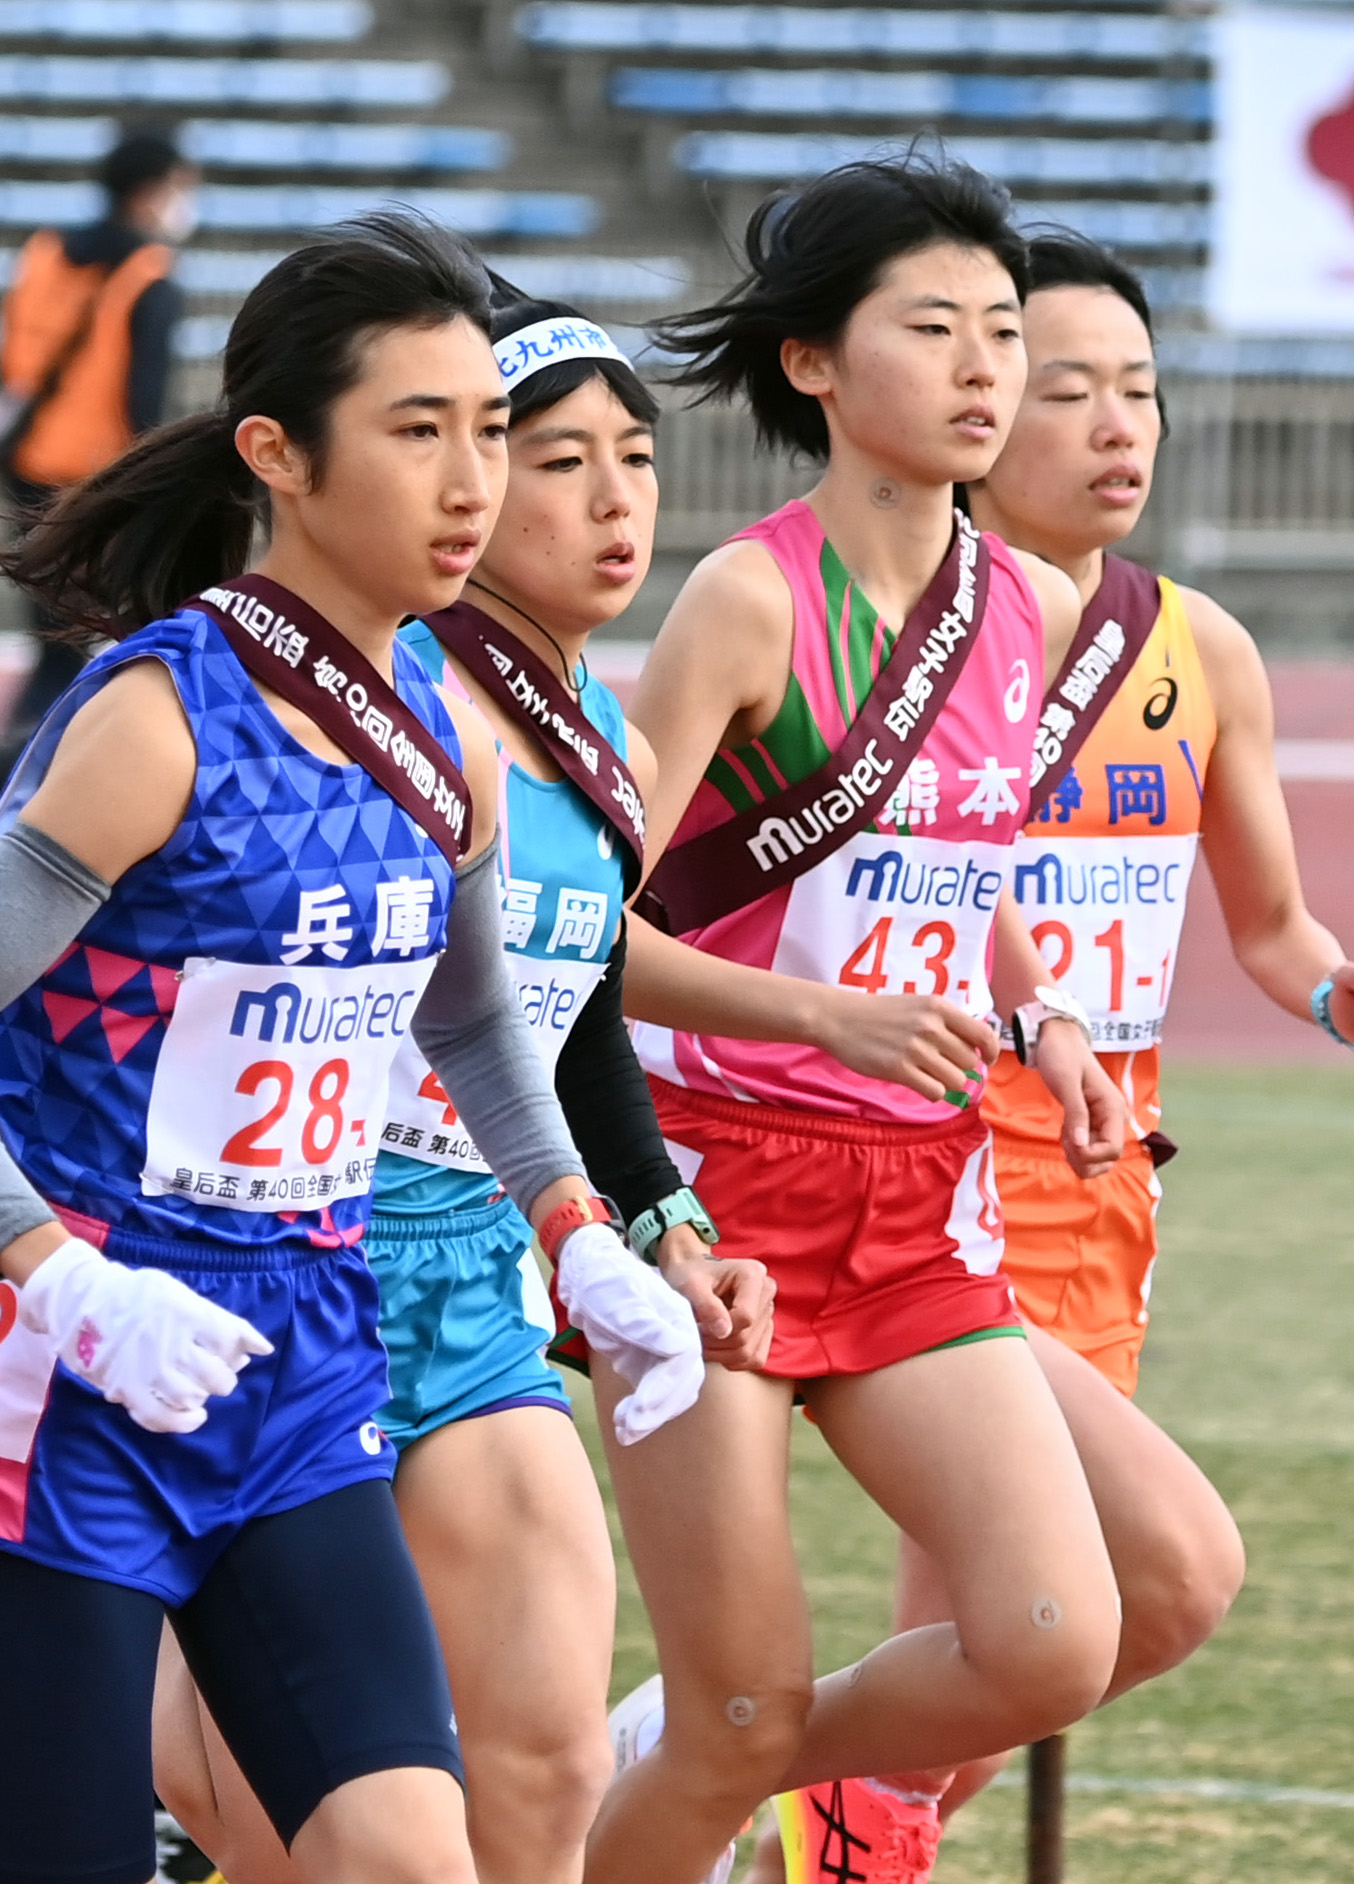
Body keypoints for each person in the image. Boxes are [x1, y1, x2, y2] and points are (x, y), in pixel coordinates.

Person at [0, 212, 707, 1884]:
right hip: (71, 1379)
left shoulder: (438, 741)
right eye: (414, 430)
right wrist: (57, 1276)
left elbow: (465, 1017)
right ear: (275, 456)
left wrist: (578, 1231)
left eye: (481, 432)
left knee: (404, 1852)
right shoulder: (151, 719)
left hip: (300, 1369)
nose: (468, 481)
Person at [145, 294, 780, 1884]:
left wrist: (659, 1219)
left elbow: (555, 1019)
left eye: (631, 458)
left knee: (551, 1766)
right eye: (553, 460)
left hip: (477, 1275)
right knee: (281, 1835)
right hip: (291, 1262)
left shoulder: (604, 745)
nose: (612, 500)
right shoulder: (380, 695)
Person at [592, 156, 1131, 1884]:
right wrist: (812, 1012)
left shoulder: (1032, 608)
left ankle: (680, 1743)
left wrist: (1028, 1007)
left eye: (1000, 333)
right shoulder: (745, 599)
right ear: (811, 362)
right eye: (933, 329)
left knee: (1050, 1636)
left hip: (918, 1193)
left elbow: (958, 870)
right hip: (711, 1189)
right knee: (734, 1712)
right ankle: (690, 1752)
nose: (985, 369)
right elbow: (575, 938)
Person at [847, 229, 1331, 1842]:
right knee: (1071, 1608)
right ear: (979, 411)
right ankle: (701, 1798)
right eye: (1067, 389)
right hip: (934, 1162)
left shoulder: (1202, 650)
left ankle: (701, 1806)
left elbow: (1265, 927)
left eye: (1137, 389)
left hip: (1100, 1172)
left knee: (988, 1654)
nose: (1116, 424)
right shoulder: (888, 637)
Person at [0, 124, 201, 775]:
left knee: (53, 632)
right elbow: (143, 402)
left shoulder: (44, 250)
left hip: (23, 464)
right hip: (93, 481)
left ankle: (17, 759)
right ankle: (15, 770)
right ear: (152, 192)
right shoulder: (149, 276)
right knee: (75, 638)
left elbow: (14, 355)